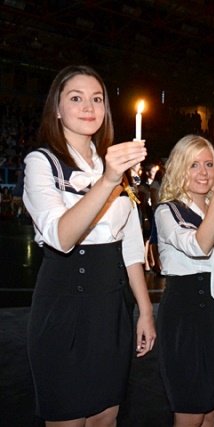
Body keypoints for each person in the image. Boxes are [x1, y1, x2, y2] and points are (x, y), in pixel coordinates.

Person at [22, 65, 155, 425]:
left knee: (106, 417)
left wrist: (144, 310)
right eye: (76, 98)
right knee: (67, 417)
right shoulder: (42, 163)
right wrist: (108, 181)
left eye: (97, 99)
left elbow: (130, 247)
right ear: (57, 108)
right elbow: (61, 236)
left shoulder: (112, 166)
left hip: (112, 307)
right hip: (65, 305)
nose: (88, 107)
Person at [154, 135, 214, 427]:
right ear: (178, 169)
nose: (204, 172)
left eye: (209, 164)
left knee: (213, 411)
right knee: (192, 412)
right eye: (193, 165)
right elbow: (199, 246)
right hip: (187, 319)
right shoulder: (167, 211)